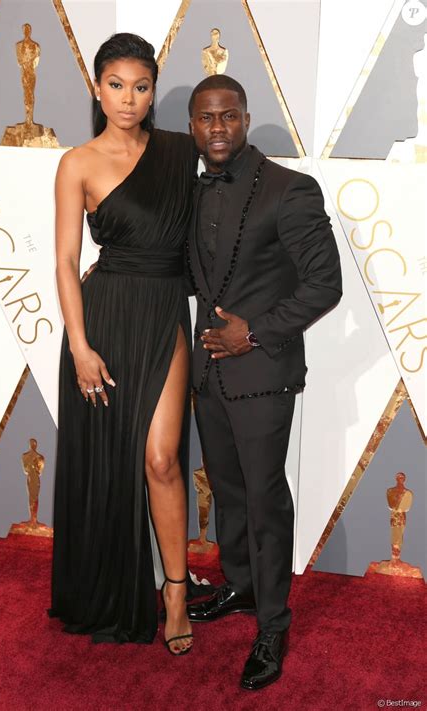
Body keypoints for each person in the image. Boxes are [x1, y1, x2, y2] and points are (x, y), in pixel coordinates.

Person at [185, 75, 342, 688]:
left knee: (264, 500)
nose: (217, 127)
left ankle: (273, 625)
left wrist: (253, 334)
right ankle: (243, 589)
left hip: (262, 373)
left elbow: (324, 285)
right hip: (206, 374)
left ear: (246, 119)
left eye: (227, 116)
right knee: (226, 492)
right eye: (205, 117)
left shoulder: (290, 189)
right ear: (193, 125)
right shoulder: (189, 190)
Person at [49, 33, 197, 655]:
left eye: (141, 86)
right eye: (116, 85)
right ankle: (109, 586)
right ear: (97, 87)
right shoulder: (77, 162)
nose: (128, 99)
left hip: (164, 312)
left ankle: (176, 591)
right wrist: (80, 347)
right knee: (109, 464)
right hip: (103, 322)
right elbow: (64, 261)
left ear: (153, 90)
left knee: (161, 459)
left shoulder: (181, 152)